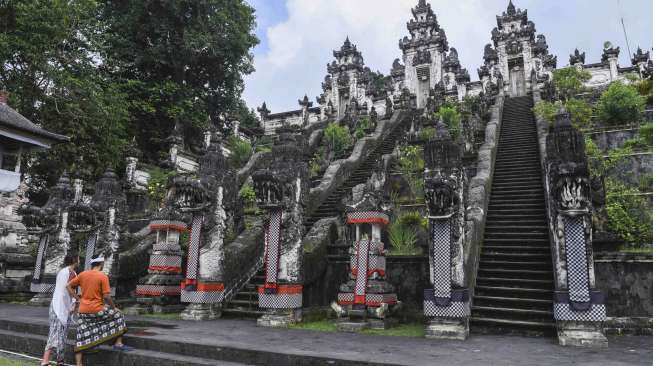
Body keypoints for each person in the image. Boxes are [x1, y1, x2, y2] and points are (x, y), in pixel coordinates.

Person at [67, 256, 132, 366]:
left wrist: (79, 299)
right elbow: (106, 296)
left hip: (83, 311)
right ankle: (118, 343)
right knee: (118, 315)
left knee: (81, 334)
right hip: (97, 310)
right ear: (101, 264)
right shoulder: (102, 276)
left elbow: (68, 286)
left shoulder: (83, 274)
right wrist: (114, 307)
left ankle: (79, 364)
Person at [41, 254, 79, 366]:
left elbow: (69, 291)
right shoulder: (66, 272)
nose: (79, 261)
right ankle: (45, 361)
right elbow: (67, 289)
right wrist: (78, 299)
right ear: (74, 260)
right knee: (55, 334)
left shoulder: (71, 273)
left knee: (61, 335)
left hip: (62, 307)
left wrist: (73, 304)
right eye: (78, 259)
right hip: (59, 307)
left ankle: (60, 361)